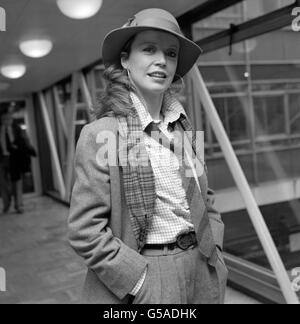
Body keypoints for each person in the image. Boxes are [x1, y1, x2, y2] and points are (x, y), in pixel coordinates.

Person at [68, 8, 228, 304]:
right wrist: (141, 283)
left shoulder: (185, 127)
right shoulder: (102, 134)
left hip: (202, 266)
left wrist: (215, 251)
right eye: (149, 49)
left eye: (170, 53)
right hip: (148, 272)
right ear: (125, 59)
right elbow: (84, 231)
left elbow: (206, 199)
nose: (161, 61)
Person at [0, 109, 36, 214]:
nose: (6, 121)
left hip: (15, 159)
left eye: (8, 119)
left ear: (12, 119)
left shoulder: (17, 129)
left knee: (17, 183)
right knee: (3, 183)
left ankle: (19, 205)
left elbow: (25, 142)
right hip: (2, 160)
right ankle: (6, 204)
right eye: (4, 119)